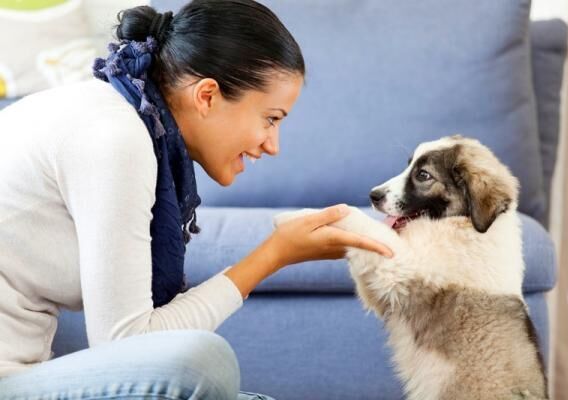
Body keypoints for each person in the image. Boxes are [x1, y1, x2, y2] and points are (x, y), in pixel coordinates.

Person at [0, 1, 393, 399]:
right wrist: (273, 254)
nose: (272, 145)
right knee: (201, 362)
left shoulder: (117, 113)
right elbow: (128, 347)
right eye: (271, 118)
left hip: (26, 372)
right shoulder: (115, 137)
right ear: (206, 96)